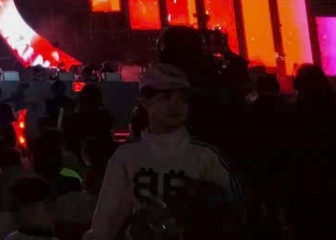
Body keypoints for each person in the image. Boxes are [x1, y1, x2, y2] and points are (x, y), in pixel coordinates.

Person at [85, 63, 240, 240]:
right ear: (145, 101)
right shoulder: (126, 157)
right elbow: (105, 224)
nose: (176, 104)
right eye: (166, 97)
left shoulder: (206, 156)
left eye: (183, 98)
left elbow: (235, 212)